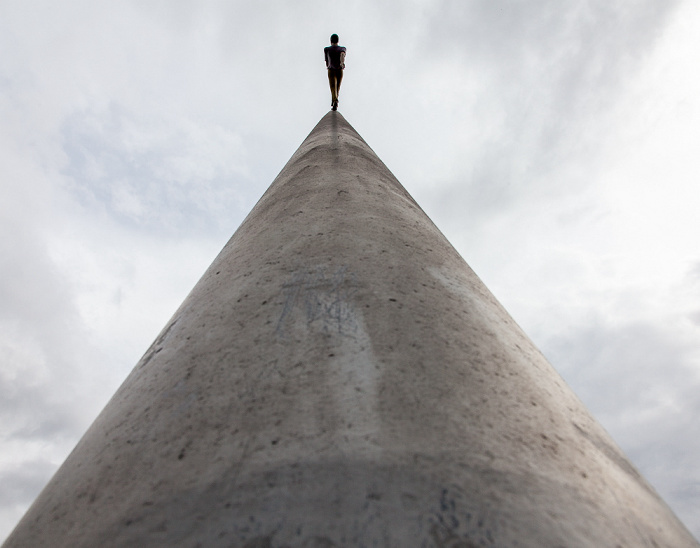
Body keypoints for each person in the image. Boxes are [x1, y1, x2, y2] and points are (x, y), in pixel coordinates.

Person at [324, 34, 346, 111]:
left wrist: (328, 65)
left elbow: (326, 61)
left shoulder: (327, 49)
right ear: (338, 41)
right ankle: (335, 100)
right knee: (337, 87)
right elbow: (342, 55)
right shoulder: (342, 48)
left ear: (331, 41)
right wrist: (342, 63)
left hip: (331, 70)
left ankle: (334, 100)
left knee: (333, 86)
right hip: (339, 69)